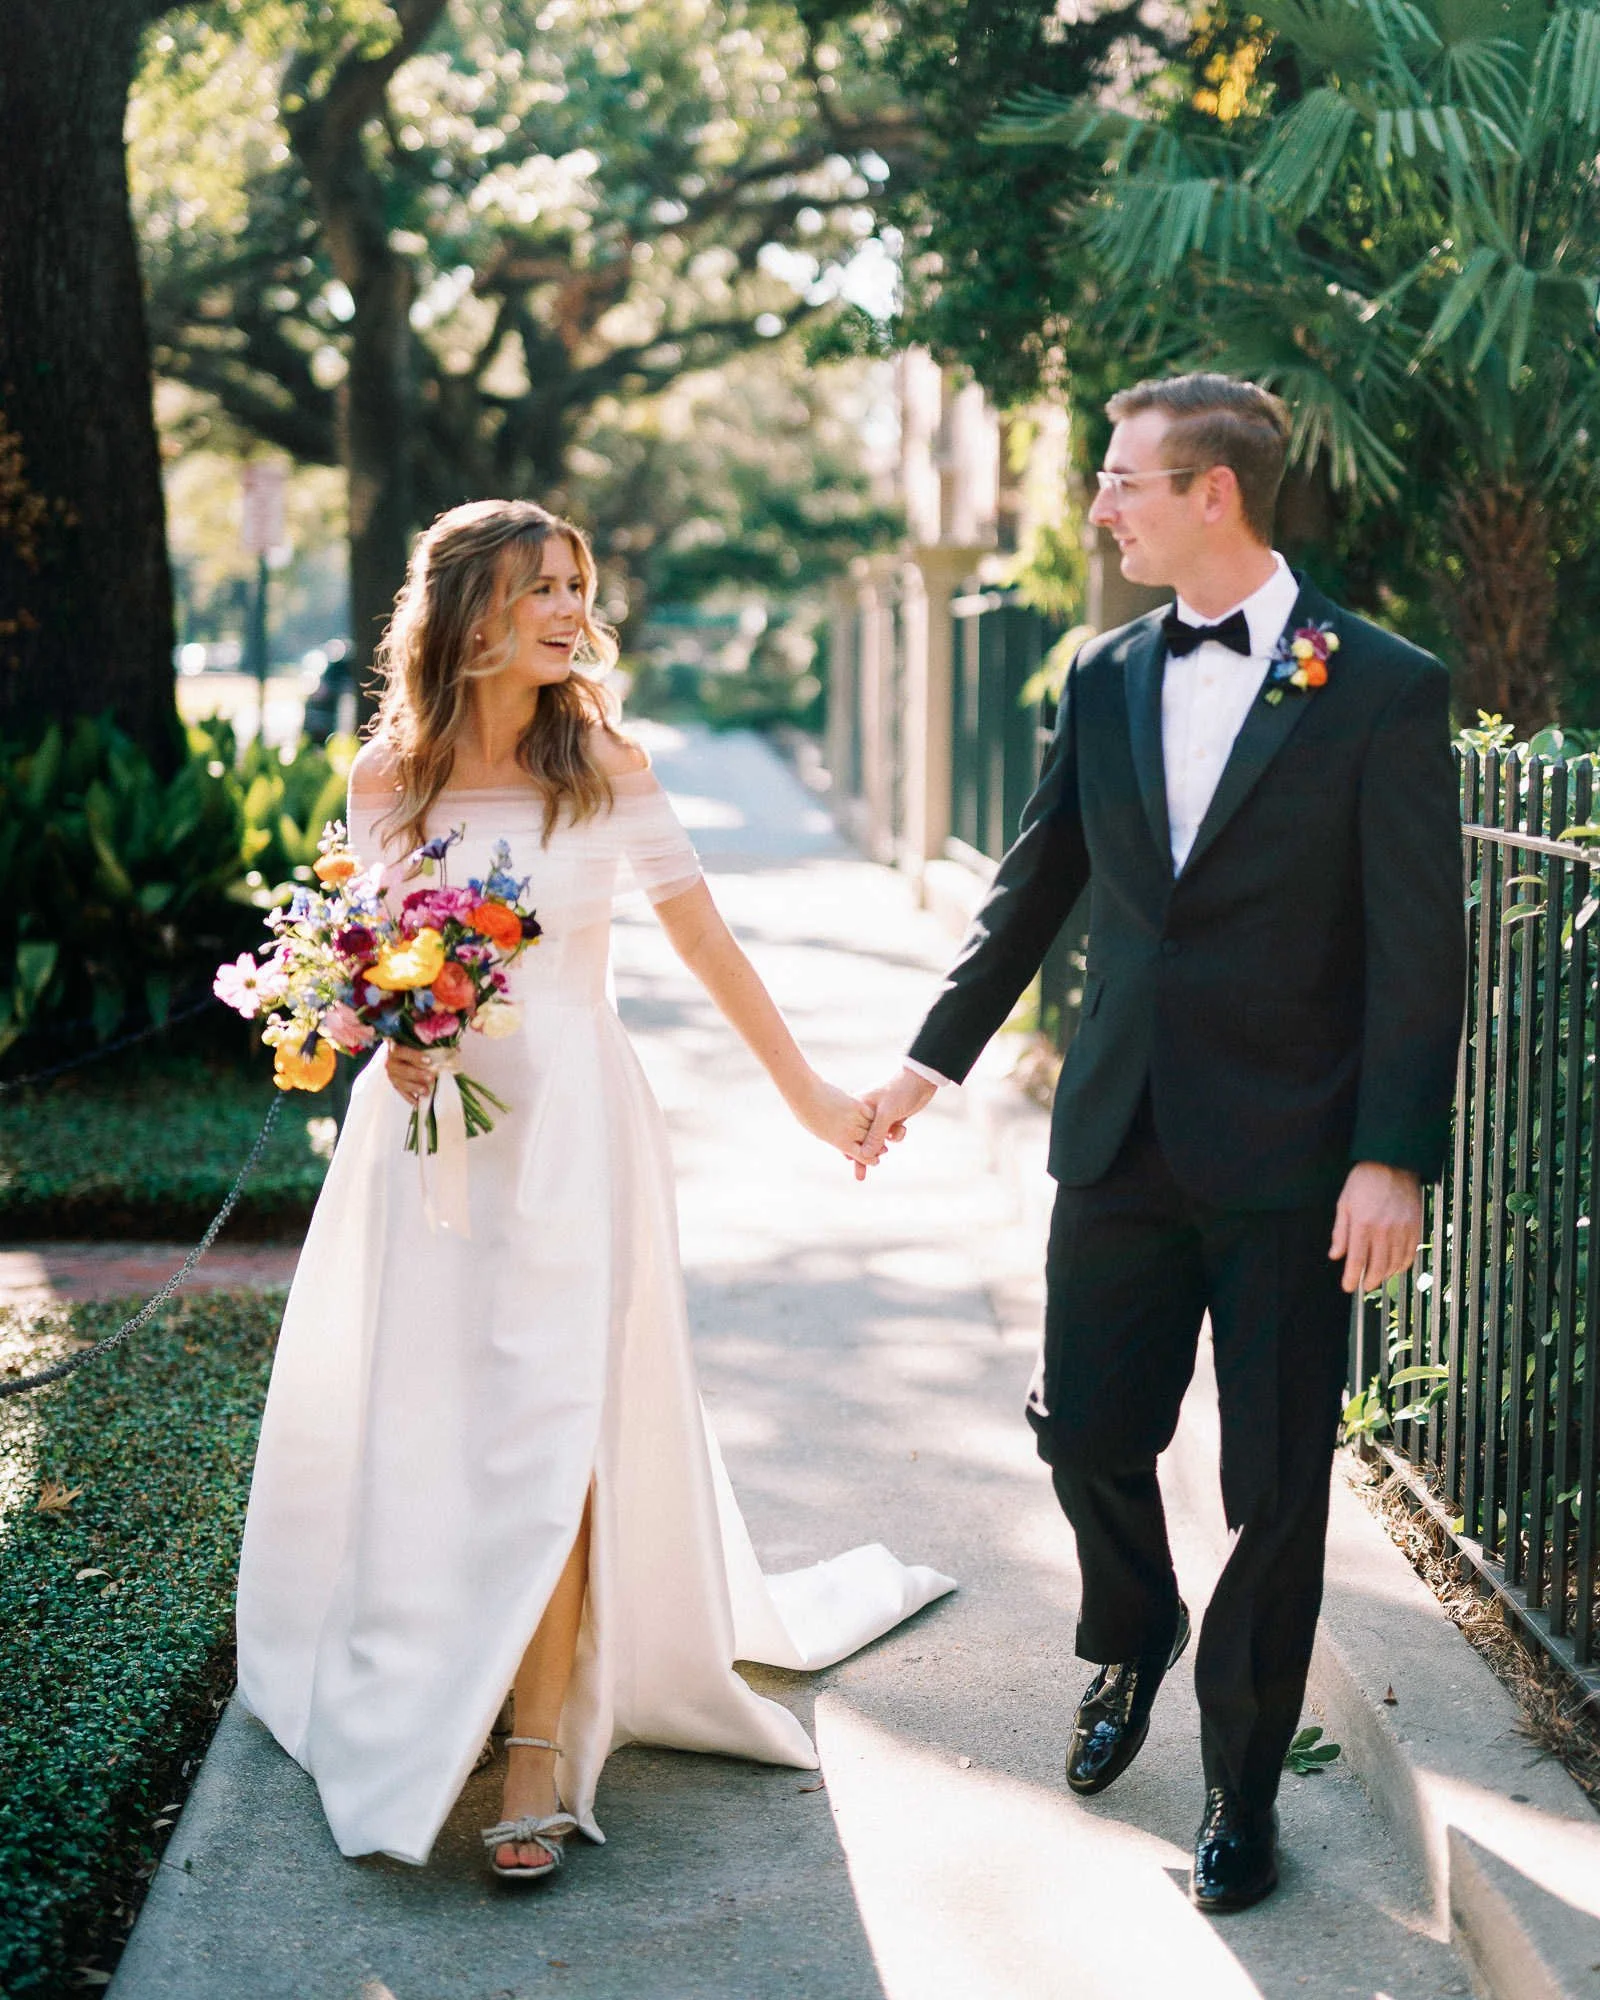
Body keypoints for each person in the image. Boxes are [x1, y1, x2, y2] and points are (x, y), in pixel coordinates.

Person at [235, 499, 954, 1882]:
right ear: (467, 613)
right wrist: (369, 1036)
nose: (571, 609)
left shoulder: (605, 763)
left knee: (557, 1413)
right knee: (435, 1416)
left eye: (577, 586)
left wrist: (814, 1100)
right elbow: (359, 988)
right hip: (431, 1147)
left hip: (575, 1131)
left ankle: (536, 1740)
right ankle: (428, 1664)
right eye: (539, 588)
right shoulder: (388, 778)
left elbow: (708, 945)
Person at [860, 374, 1464, 1912]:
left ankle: (1241, 1793)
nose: (1100, 508)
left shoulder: (1382, 685)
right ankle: (1132, 1626)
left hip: (1293, 1160)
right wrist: (926, 1067)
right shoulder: (1106, 668)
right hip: (1119, 1136)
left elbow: (1419, 943)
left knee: (1276, 1489)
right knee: (1085, 1428)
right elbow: (1031, 888)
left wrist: (1390, 1152)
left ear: (1216, 495)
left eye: (1125, 481)